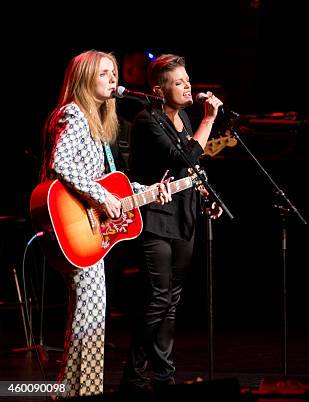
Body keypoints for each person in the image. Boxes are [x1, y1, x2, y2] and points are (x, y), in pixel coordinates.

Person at [41, 50, 171, 398]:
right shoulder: (73, 113)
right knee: (89, 314)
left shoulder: (97, 123)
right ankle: (82, 392)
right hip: (73, 225)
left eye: (114, 73)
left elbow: (111, 184)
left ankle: (73, 391)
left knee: (90, 315)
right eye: (104, 73)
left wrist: (150, 191)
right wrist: (100, 198)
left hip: (87, 229)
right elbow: (61, 165)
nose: (113, 79)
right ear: (84, 78)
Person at [121, 54, 223, 393]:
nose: (187, 85)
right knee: (158, 298)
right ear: (158, 89)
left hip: (183, 216)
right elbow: (182, 158)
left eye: (187, 79)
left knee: (172, 301)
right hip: (154, 218)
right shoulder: (147, 121)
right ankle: (134, 375)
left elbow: (190, 171)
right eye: (178, 82)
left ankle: (163, 376)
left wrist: (207, 198)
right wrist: (208, 120)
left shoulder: (183, 120)